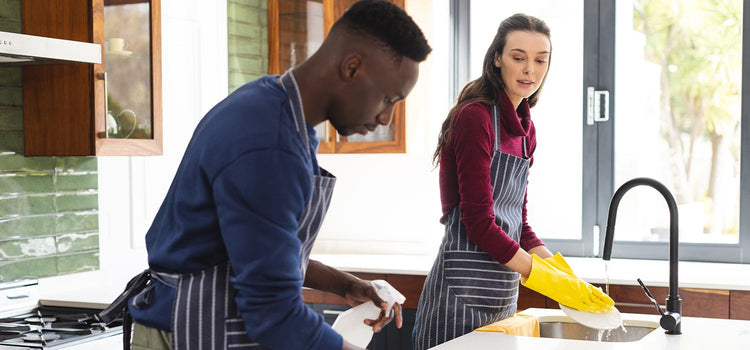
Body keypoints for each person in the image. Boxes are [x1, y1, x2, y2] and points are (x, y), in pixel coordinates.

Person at [98, 1, 431, 350]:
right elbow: (274, 313)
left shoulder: (268, 107)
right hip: (191, 333)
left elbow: (255, 254)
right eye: (388, 99)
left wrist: (343, 284)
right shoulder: (269, 141)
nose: (386, 119)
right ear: (352, 68)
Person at [412, 13, 613, 349]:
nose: (529, 70)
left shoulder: (525, 129)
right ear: (497, 59)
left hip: (502, 294)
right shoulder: (474, 118)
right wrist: (543, 277)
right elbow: (479, 224)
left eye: (540, 60)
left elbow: (516, 222)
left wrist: (565, 277)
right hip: (459, 294)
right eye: (518, 58)